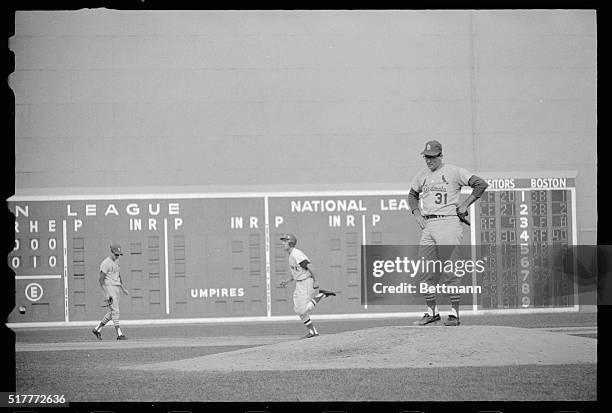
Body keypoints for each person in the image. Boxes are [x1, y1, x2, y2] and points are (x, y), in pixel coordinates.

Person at [408, 140, 488, 326]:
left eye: (433, 157)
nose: (429, 160)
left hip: (448, 221)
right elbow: (412, 195)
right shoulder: (421, 176)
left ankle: (454, 314)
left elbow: (480, 184)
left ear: (440, 156)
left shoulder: (454, 171)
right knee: (425, 270)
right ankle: (432, 312)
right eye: (426, 157)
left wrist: (465, 204)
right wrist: (417, 213)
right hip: (429, 224)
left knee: (450, 270)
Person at [278, 234, 336, 339]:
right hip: (299, 283)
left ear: (290, 243)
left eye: (285, 241)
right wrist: (287, 281)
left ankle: (322, 295)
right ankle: (313, 332)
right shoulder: (291, 256)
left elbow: (310, 266)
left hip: (306, 282)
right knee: (298, 309)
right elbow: (297, 272)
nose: (283, 243)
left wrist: (316, 281)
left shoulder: (296, 254)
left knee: (302, 310)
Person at [92, 244, 129, 340]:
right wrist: (107, 294)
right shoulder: (105, 263)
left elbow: (118, 276)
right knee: (116, 311)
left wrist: (123, 288)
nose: (117, 256)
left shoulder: (117, 262)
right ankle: (119, 334)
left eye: (119, 254)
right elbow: (101, 280)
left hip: (116, 288)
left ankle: (97, 329)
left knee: (111, 312)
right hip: (109, 288)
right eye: (116, 254)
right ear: (111, 252)